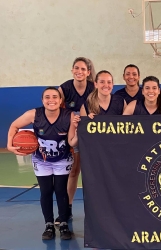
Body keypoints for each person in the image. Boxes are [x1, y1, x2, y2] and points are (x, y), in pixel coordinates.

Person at [7, 87, 75, 240]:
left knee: (61, 190)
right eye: (47, 97)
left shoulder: (69, 116)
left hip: (62, 159)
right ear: (42, 100)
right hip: (41, 160)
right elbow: (14, 126)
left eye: (55, 97)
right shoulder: (34, 114)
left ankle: (63, 223)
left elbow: (73, 138)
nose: (51, 100)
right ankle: (49, 225)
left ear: (60, 100)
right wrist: (10, 144)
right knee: (45, 191)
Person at [57, 57, 95, 225]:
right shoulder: (64, 89)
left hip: (91, 136)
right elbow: (55, 110)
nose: (80, 72)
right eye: (76, 68)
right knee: (73, 172)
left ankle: (96, 210)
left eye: (83, 69)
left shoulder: (94, 88)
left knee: (93, 174)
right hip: (70, 135)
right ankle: (67, 209)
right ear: (72, 70)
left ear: (88, 72)